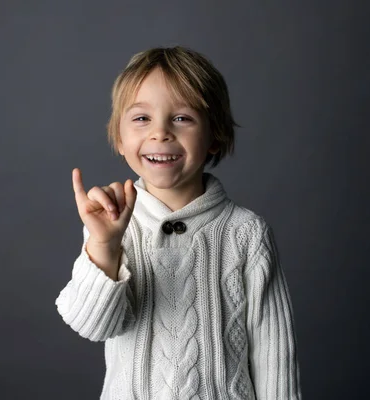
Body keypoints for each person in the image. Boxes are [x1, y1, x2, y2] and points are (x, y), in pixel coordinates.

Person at [55, 46, 302, 399]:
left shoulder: (246, 233)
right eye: (141, 119)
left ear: (215, 135)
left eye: (182, 118)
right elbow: (93, 325)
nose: (160, 133)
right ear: (120, 138)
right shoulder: (108, 225)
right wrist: (103, 245)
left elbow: (275, 356)